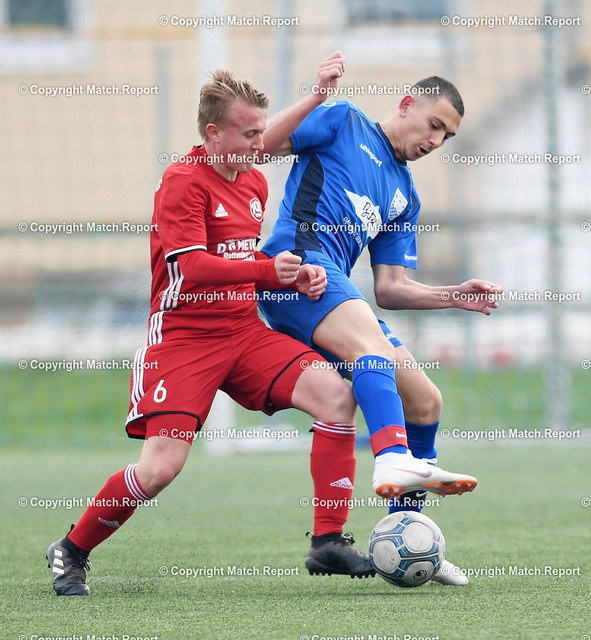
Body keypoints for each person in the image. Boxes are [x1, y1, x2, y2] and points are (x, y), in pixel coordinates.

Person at [47, 62, 383, 595]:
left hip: (244, 333)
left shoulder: (253, 180)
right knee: (159, 471)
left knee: (336, 397)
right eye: (249, 134)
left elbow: (246, 258)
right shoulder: (182, 182)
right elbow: (194, 267)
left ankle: (328, 541)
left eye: (261, 131)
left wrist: (298, 274)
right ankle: (72, 549)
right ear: (214, 133)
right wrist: (268, 272)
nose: (260, 144)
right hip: (184, 341)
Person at [258, 52, 503, 585]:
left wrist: (454, 295)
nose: (436, 141)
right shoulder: (342, 120)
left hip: (338, 290)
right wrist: (316, 95)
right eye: (434, 125)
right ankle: (392, 455)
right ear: (407, 103)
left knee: (425, 399)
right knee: (373, 352)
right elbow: (263, 146)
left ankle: (409, 535)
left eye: (447, 137)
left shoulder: (405, 195)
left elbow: (390, 287)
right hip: (296, 268)